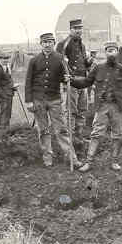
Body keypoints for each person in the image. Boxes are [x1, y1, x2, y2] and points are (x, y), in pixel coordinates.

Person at [72, 42, 122, 172]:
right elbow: (86, 82)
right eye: (108, 50)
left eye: (113, 50)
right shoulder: (98, 68)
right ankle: (89, 162)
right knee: (96, 133)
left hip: (118, 108)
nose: (111, 53)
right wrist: (72, 80)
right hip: (102, 106)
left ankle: (114, 161)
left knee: (117, 134)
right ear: (105, 52)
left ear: (117, 52)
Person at [24, 33, 81, 169]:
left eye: (50, 42)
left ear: (54, 43)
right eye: (44, 42)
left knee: (61, 130)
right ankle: (47, 158)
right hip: (38, 100)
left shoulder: (60, 59)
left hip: (55, 100)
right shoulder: (34, 60)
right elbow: (28, 81)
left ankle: (72, 158)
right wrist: (29, 101)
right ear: (41, 44)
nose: (47, 44)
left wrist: (67, 78)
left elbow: (67, 77)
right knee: (43, 131)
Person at [56, 18, 91, 146]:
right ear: (70, 30)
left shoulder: (82, 44)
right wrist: (67, 76)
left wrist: (89, 62)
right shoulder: (63, 44)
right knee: (71, 111)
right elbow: (60, 62)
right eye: (76, 28)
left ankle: (79, 136)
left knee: (82, 110)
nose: (78, 31)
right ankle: (69, 139)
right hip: (71, 82)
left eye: (80, 28)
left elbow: (84, 63)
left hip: (83, 81)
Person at [0, 51, 18, 140]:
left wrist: (13, 87)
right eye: (3, 58)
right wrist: (3, 96)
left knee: (8, 114)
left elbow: (7, 82)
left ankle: (6, 133)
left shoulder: (6, 67)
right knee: (4, 114)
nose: (5, 60)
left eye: (7, 58)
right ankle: (2, 134)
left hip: (9, 94)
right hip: (4, 96)